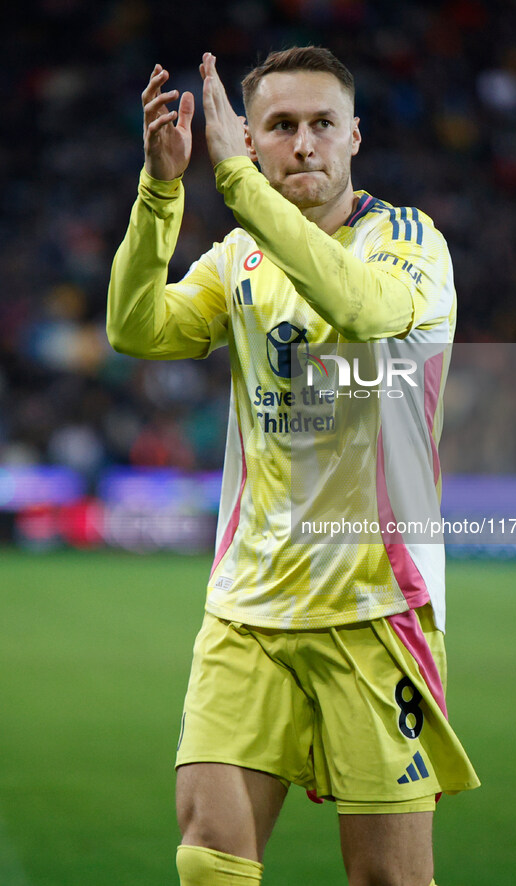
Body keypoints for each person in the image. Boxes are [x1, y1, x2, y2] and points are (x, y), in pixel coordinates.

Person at [107, 47, 479, 886]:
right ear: (252, 138)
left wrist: (235, 179)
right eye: (280, 127)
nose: (303, 144)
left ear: (355, 137)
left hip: (375, 608)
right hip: (248, 608)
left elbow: (359, 306)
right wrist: (161, 191)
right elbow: (135, 329)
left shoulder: (410, 244)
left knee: (388, 880)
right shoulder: (240, 259)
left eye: (321, 125)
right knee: (207, 862)